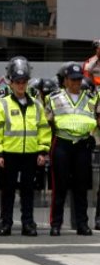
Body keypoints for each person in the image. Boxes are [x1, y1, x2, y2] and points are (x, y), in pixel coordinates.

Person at [0, 57, 51, 236]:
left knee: (28, 192)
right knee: (8, 191)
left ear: (27, 83)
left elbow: (43, 129)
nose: (21, 85)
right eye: (17, 82)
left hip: (30, 154)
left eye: (23, 82)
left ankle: (28, 224)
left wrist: (43, 150)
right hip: (9, 154)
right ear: (11, 83)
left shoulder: (37, 105)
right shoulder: (3, 104)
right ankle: (6, 223)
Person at [45, 63, 96, 236]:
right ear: (65, 80)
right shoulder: (53, 98)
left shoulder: (91, 98)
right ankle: (56, 224)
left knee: (81, 186)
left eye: (79, 79)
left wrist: (91, 137)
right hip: (62, 144)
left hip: (82, 144)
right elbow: (47, 122)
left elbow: (96, 119)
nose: (76, 83)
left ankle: (82, 224)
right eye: (73, 80)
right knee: (59, 186)